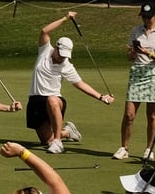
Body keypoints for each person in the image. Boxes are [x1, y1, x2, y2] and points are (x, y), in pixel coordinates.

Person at [27, 12, 112, 154]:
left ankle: (58, 142)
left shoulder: (66, 65)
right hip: (35, 101)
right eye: (61, 55)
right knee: (46, 140)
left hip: (55, 102)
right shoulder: (45, 51)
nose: (62, 58)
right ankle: (67, 132)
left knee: (52, 100)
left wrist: (101, 97)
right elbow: (44, 31)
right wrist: (65, 18)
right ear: (56, 48)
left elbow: (80, 84)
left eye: (65, 56)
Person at [114, 2, 155, 162]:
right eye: (144, 17)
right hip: (137, 72)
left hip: (154, 73)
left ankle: (149, 150)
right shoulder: (135, 31)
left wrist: (147, 52)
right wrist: (132, 52)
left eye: (149, 17)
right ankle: (124, 148)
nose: (146, 20)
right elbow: (129, 58)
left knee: (152, 115)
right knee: (129, 114)